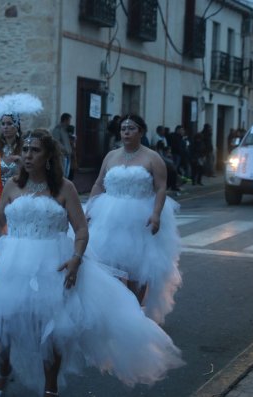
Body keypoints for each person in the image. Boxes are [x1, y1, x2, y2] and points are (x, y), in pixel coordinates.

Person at [0, 129, 183, 397]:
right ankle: (2, 374)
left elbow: (80, 230)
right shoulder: (12, 185)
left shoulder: (65, 188)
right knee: (2, 323)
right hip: (13, 263)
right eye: (26, 150)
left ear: (48, 156)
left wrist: (76, 260)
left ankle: (50, 387)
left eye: (35, 150)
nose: (28, 155)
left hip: (53, 263)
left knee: (51, 328)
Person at [86, 114, 182, 325]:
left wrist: (156, 214)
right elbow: (99, 184)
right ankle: (116, 309)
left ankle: (135, 312)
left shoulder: (152, 157)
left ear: (141, 132)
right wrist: (90, 208)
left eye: (131, 128)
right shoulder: (111, 156)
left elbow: (160, 187)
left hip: (140, 217)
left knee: (138, 268)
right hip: (110, 216)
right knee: (108, 266)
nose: (126, 132)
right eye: (123, 129)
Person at [50, 113, 73, 178]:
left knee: (66, 174)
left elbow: (66, 142)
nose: (69, 122)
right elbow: (56, 142)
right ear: (65, 120)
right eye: (69, 120)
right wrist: (65, 150)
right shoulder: (57, 129)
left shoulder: (65, 129)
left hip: (67, 155)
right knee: (61, 174)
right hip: (62, 155)